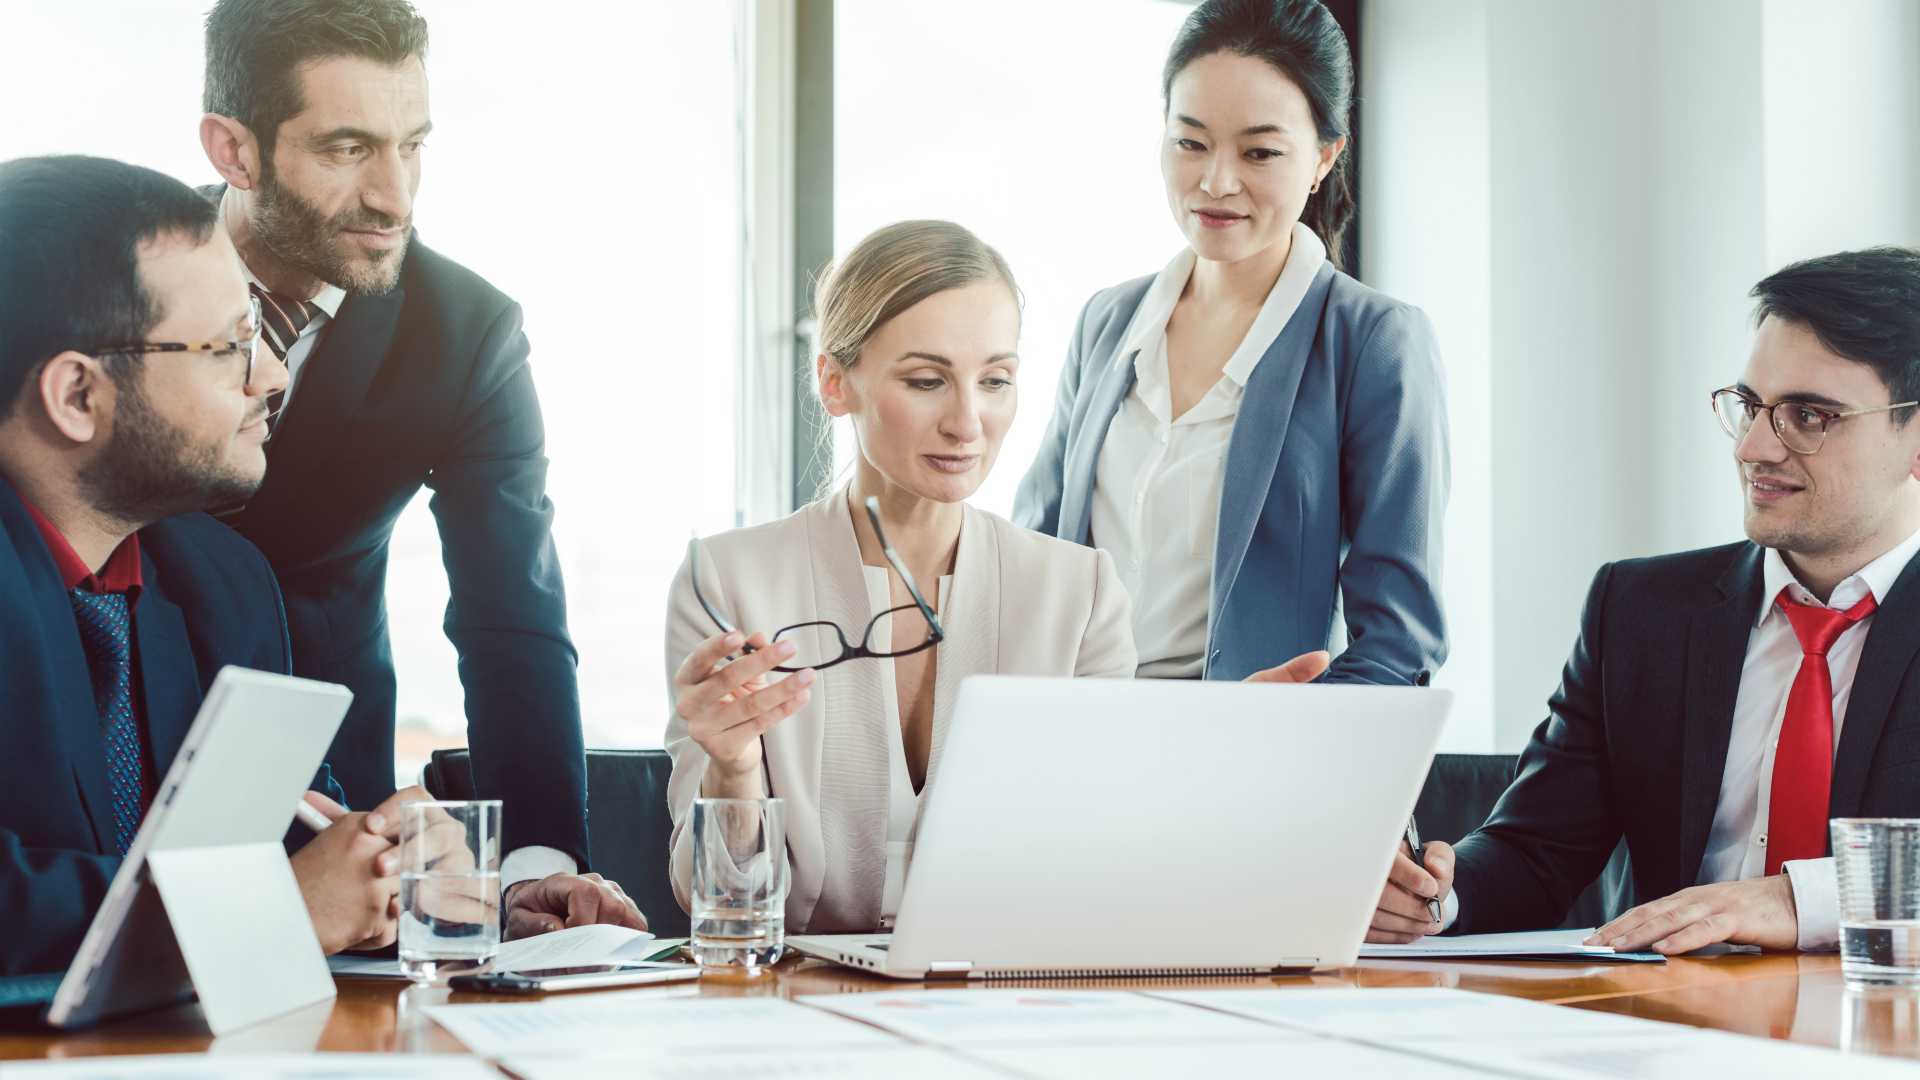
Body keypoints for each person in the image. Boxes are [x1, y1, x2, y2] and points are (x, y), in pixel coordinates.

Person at [194, 0, 640, 937]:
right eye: (348, 149)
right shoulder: (106, 272)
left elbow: (511, 611)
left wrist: (532, 863)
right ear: (235, 150)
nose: (397, 196)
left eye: (413, 145)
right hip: (81, 790)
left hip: (332, 819)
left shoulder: (466, 333)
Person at [1372, 247, 1920, 954]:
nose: (1753, 447)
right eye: (1751, 406)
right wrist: (1436, 898)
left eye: (1810, 417)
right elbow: (1538, 847)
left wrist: (1801, 900)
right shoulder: (1641, 609)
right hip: (1671, 1025)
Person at [0, 153, 469, 973]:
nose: (273, 376)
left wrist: (396, 873)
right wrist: (268, 910)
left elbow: (292, 830)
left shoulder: (223, 579)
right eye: (231, 347)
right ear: (77, 396)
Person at [663, 221, 1136, 933]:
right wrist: (731, 769)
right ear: (834, 383)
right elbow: (717, 908)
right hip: (798, 1008)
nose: (968, 422)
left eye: (996, 381)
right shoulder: (729, 581)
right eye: (926, 381)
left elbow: (1105, 865)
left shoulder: (1080, 594)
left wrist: (1186, 777)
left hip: (1010, 1003)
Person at [1014, 0, 1448, 685]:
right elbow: (1030, 559)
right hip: (1079, 746)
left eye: (1259, 152)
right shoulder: (1107, 322)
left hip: (1253, 759)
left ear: (1323, 157)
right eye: (1190, 142)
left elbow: (1401, 638)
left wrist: (1272, 734)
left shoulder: (1372, 341)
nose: (1216, 182)